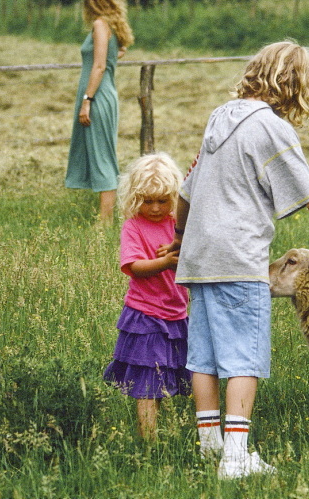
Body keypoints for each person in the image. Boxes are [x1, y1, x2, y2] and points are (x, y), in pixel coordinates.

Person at [161, 41, 309, 479]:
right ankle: (235, 458)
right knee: (245, 357)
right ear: (296, 86)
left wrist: (179, 236)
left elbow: (187, 186)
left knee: (203, 356)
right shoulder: (271, 128)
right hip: (239, 257)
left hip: (201, 256)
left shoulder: (219, 116)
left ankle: (209, 448)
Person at [103, 152, 192, 440]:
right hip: (146, 316)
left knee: (166, 375)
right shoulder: (134, 226)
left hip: (177, 315)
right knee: (147, 382)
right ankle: (149, 443)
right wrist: (165, 262)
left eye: (162, 201)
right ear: (134, 197)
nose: (154, 208)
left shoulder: (178, 226)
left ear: (175, 198)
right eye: (147, 200)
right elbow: (134, 267)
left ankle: (164, 434)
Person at [65, 0, 134, 224]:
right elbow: (117, 53)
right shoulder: (110, 25)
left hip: (98, 97)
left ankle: (105, 223)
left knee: (102, 155)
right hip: (102, 94)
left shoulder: (100, 24)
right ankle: (105, 218)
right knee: (101, 152)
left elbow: (99, 66)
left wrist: (87, 100)